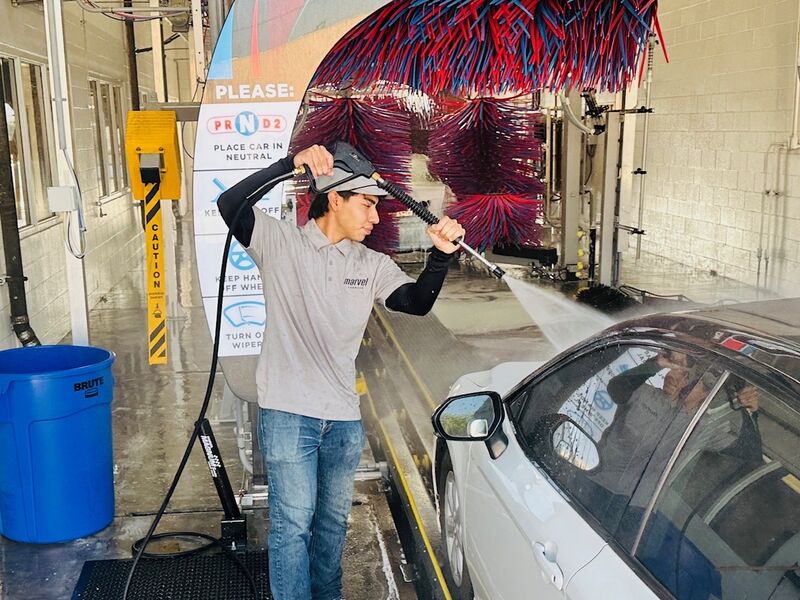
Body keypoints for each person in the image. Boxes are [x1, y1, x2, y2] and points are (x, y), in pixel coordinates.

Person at [217, 144, 465, 600]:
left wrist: (440, 257)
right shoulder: (280, 243)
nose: (375, 217)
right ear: (334, 198)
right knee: (293, 526)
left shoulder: (370, 264)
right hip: (289, 414)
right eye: (366, 204)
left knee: (332, 525)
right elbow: (230, 204)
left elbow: (416, 303)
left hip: (344, 420)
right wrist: (288, 165)